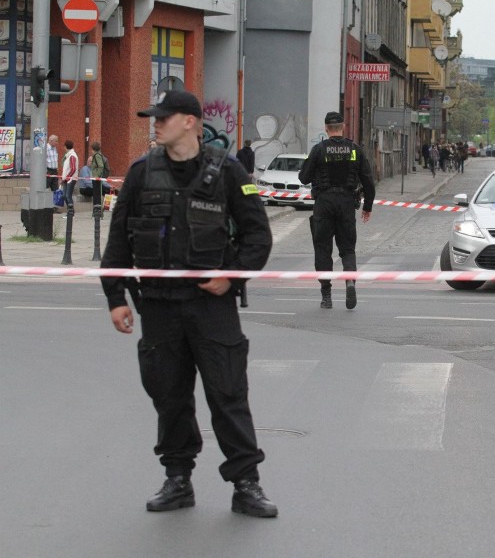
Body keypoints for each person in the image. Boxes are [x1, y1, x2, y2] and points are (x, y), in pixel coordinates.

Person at [99, 90, 278, 518]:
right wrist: (115, 298)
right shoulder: (141, 173)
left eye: (164, 117)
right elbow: (119, 241)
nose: (155, 124)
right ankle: (177, 479)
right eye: (153, 118)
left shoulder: (229, 172)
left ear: (191, 122)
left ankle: (246, 484)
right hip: (158, 308)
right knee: (169, 397)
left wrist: (230, 274)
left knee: (228, 394)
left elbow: (258, 235)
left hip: (211, 307)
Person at [299, 111, 376, 309]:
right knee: (348, 249)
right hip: (347, 203)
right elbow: (368, 180)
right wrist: (367, 207)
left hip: (324, 202)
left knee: (323, 249)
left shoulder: (319, 149)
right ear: (343, 127)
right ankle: (350, 281)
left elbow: (304, 178)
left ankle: (326, 295)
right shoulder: (354, 149)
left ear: (326, 128)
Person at [60, 140, 79, 210]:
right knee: (65, 195)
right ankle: (69, 211)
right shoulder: (68, 156)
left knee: (68, 196)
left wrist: (68, 177)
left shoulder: (72, 156)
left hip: (71, 179)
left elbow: (73, 168)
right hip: (66, 179)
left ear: (65, 147)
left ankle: (71, 212)